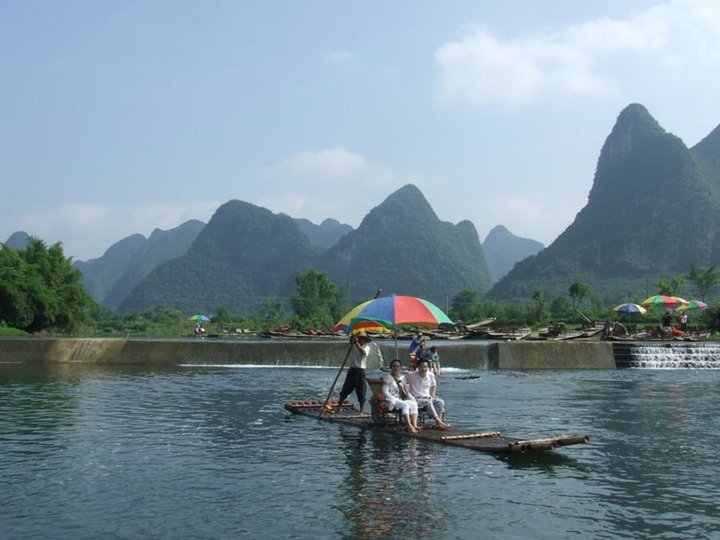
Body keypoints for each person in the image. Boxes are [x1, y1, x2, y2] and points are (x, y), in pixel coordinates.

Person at [334, 332, 372, 415]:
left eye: (363, 338)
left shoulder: (367, 347)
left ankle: (361, 411)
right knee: (345, 390)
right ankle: (338, 408)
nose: (362, 340)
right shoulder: (353, 345)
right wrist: (354, 338)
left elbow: (363, 353)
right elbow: (351, 340)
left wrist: (356, 343)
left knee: (361, 391)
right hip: (352, 370)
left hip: (360, 371)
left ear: (365, 340)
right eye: (360, 338)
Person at [406, 358, 448, 429]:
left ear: (428, 367)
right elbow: (401, 380)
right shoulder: (411, 375)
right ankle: (439, 422)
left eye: (425, 367)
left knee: (440, 401)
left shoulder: (430, 375)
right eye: (421, 366)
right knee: (428, 402)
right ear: (418, 367)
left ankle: (438, 423)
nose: (423, 369)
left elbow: (433, 385)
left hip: (428, 397)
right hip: (416, 399)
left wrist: (433, 394)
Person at [382, 359, 419, 433]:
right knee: (405, 404)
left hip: (400, 399)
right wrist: (393, 399)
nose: (396, 368)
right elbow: (385, 391)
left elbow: (406, 391)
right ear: (391, 367)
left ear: (400, 367)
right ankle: (409, 426)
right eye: (394, 366)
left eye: (398, 366)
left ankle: (414, 425)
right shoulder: (388, 378)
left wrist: (412, 398)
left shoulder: (403, 378)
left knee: (414, 404)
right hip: (390, 400)